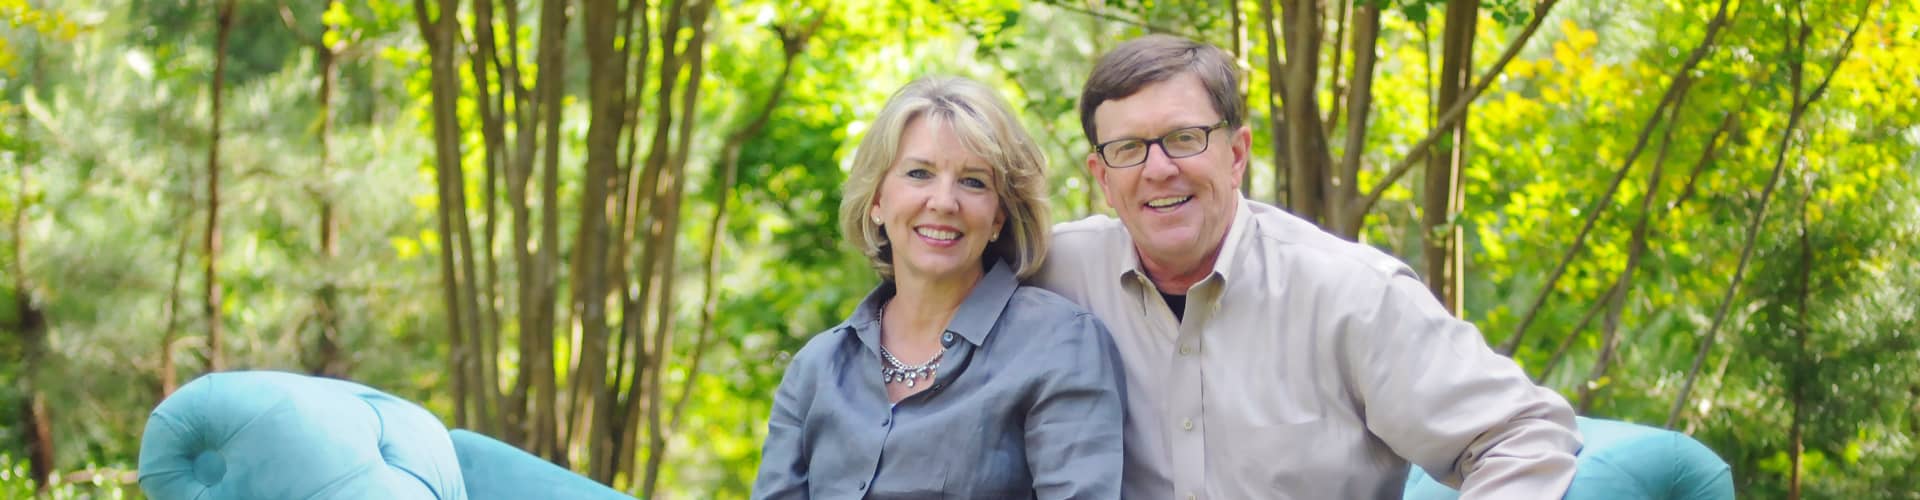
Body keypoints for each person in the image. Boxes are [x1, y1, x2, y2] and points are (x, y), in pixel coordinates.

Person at [1034, 34, 1583, 499]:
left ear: (1236, 154)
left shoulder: (1352, 295)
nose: (1159, 169)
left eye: (1184, 139)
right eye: (1128, 148)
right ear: (1102, 177)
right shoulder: (1055, 272)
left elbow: (1521, 433)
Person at [752, 76, 1127, 500]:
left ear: (998, 217)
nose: (944, 202)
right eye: (919, 173)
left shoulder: (1061, 344)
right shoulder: (815, 370)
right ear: (877, 200)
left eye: (973, 182)